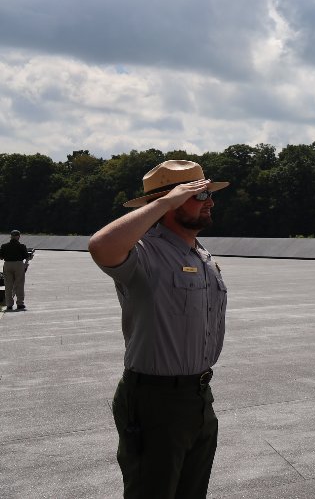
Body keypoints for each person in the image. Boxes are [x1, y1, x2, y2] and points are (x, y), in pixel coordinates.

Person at [88, 160, 229, 498]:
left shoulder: (200, 254)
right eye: (200, 194)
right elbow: (100, 246)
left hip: (198, 396)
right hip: (156, 401)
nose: (210, 201)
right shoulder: (145, 253)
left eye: (209, 193)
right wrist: (164, 202)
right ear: (171, 202)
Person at [2, 229, 32, 311]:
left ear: (10, 236)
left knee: (8, 286)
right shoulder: (22, 246)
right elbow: (26, 256)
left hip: (7, 264)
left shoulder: (4, 246)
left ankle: (9, 304)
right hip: (18, 265)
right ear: (19, 236)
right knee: (19, 284)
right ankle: (20, 304)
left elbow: (1, 257)